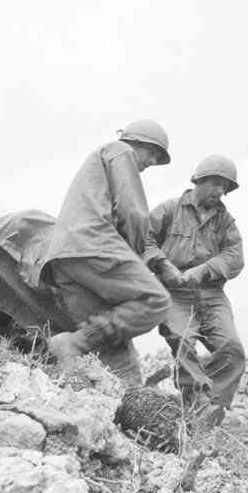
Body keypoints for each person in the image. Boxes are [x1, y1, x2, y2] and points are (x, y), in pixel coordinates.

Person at [40, 119, 173, 385]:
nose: (152, 162)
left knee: (115, 351)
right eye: (153, 153)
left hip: (66, 259)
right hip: (93, 244)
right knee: (157, 299)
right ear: (139, 141)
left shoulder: (101, 158)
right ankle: (74, 343)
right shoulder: (121, 151)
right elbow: (132, 211)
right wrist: (137, 261)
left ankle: (119, 395)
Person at [143, 154, 246, 426]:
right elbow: (142, 239)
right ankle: (198, 405)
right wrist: (163, 265)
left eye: (225, 187)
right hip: (174, 295)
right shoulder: (169, 209)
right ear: (198, 181)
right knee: (181, 339)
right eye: (215, 183)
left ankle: (208, 404)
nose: (219, 191)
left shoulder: (226, 222)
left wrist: (204, 270)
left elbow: (235, 258)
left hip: (212, 296)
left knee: (232, 350)